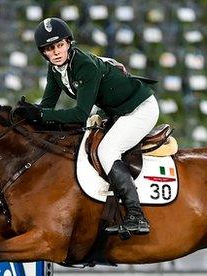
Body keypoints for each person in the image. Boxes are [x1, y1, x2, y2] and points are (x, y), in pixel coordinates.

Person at [16, 17, 158, 235]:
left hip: (140, 109)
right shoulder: (55, 69)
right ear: (43, 52)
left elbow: (80, 114)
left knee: (107, 150)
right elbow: (46, 107)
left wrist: (41, 114)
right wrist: (30, 115)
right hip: (116, 110)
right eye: (49, 48)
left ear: (68, 43)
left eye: (60, 45)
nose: (55, 52)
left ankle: (136, 216)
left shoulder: (84, 66)